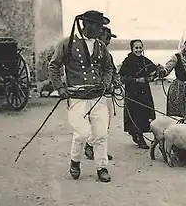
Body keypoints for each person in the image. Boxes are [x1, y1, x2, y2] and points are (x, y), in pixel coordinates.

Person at [48, 10, 114, 182]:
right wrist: (60, 88)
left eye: (101, 26)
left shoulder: (100, 46)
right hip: (76, 96)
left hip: (98, 96)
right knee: (82, 133)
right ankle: (75, 161)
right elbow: (54, 66)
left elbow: (109, 67)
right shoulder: (67, 43)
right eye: (97, 26)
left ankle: (102, 167)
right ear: (87, 25)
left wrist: (106, 83)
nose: (100, 30)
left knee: (100, 134)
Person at [84, 26, 120, 161]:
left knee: (105, 123)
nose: (109, 40)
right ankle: (90, 146)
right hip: (96, 93)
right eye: (107, 37)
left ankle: (94, 147)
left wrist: (116, 80)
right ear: (99, 36)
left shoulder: (107, 54)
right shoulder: (92, 53)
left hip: (107, 93)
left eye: (110, 38)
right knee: (100, 123)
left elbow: (112, 70)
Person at [118, 39, 158, 149]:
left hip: (144, 91)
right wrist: (136, 80)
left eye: (140, 47)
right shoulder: (128, 61)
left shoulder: (145, 60)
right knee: (135, 114)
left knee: (146, 113)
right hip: (132, 92)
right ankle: (138, 137)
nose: (139, 50)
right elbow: (122, 78)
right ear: (132, 49)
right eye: (136, 48)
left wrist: (154, 75)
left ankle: (139, 134)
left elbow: (154, 70)